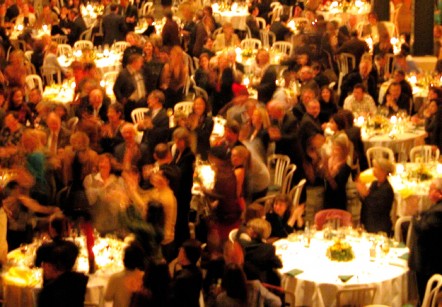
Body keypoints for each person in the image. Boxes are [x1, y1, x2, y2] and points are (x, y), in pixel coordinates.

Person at [409, 178, 442, 304]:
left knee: (426, 293)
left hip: (428, 260)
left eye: (431, 189)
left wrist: (414, 216)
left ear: (439, 193)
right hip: (430, 257)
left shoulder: (439, 212)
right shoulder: (436, 207)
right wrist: (418, 213)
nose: (428, 191)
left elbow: (422, 228)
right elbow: (424, 215)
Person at [37, 241, 88, 307]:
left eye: (44, 263)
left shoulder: (48, 293)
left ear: (53, 265)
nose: (42, 266)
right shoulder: (81, 279)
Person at [356, 158, 395, 235]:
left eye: (376, 168)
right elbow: (366, 201)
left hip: (378, 226)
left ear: (383, 171)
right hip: (368, 221)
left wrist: (365, 194)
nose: (373, 170)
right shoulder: (374, 183)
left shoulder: (386, 189)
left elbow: (375, 207)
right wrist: (362, 194)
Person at [320, 134, 352, 210]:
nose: (334, 151)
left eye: (337, 149)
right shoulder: (331, 159)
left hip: (338, 200)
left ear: (343, 150)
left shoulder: (345, 167)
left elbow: (336, 187)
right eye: (334, 148)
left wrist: (327, 173)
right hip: (327, 196)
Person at [170, 239, 203, 307]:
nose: (178, 252)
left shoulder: (181, 279)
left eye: (180, 250)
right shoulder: (198, 271)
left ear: (184, 254)